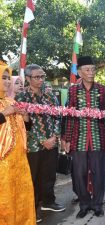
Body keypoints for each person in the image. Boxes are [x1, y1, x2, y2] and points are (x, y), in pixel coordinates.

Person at [63, 56, 105, 219]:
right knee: (79, 173)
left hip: (98, 138)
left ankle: (97, 204)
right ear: (79, 72)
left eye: (93, 69)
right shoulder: (72, 91)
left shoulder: (102, 90)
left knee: (99, 172)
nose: (91, 73)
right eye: (87, 69)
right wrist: (66, 139)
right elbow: (68, 116)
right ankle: (84, 204)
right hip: (79, 139)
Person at [15, 64, 65, 223]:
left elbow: (58, 118)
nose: (41, 79)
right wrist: (41, 140)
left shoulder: (51, 96)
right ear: (28, 78)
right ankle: (32, 209)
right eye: (37, 77)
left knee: (49, 175)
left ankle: (48, 202)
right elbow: (22, 125)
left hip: (52, 143)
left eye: (42, 76)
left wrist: (55, 137)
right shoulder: (21, 98)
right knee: (33, 178)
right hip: (33, 146)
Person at [0, 61, 36, 225]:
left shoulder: (11, 101)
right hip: (3, 162)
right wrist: (4, 114)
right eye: (3, 78)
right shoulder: (7, 105)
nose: (7, 82)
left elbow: (27, 126)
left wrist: (26, 116)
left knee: (19, 194)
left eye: (8, 78)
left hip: (19, 158)